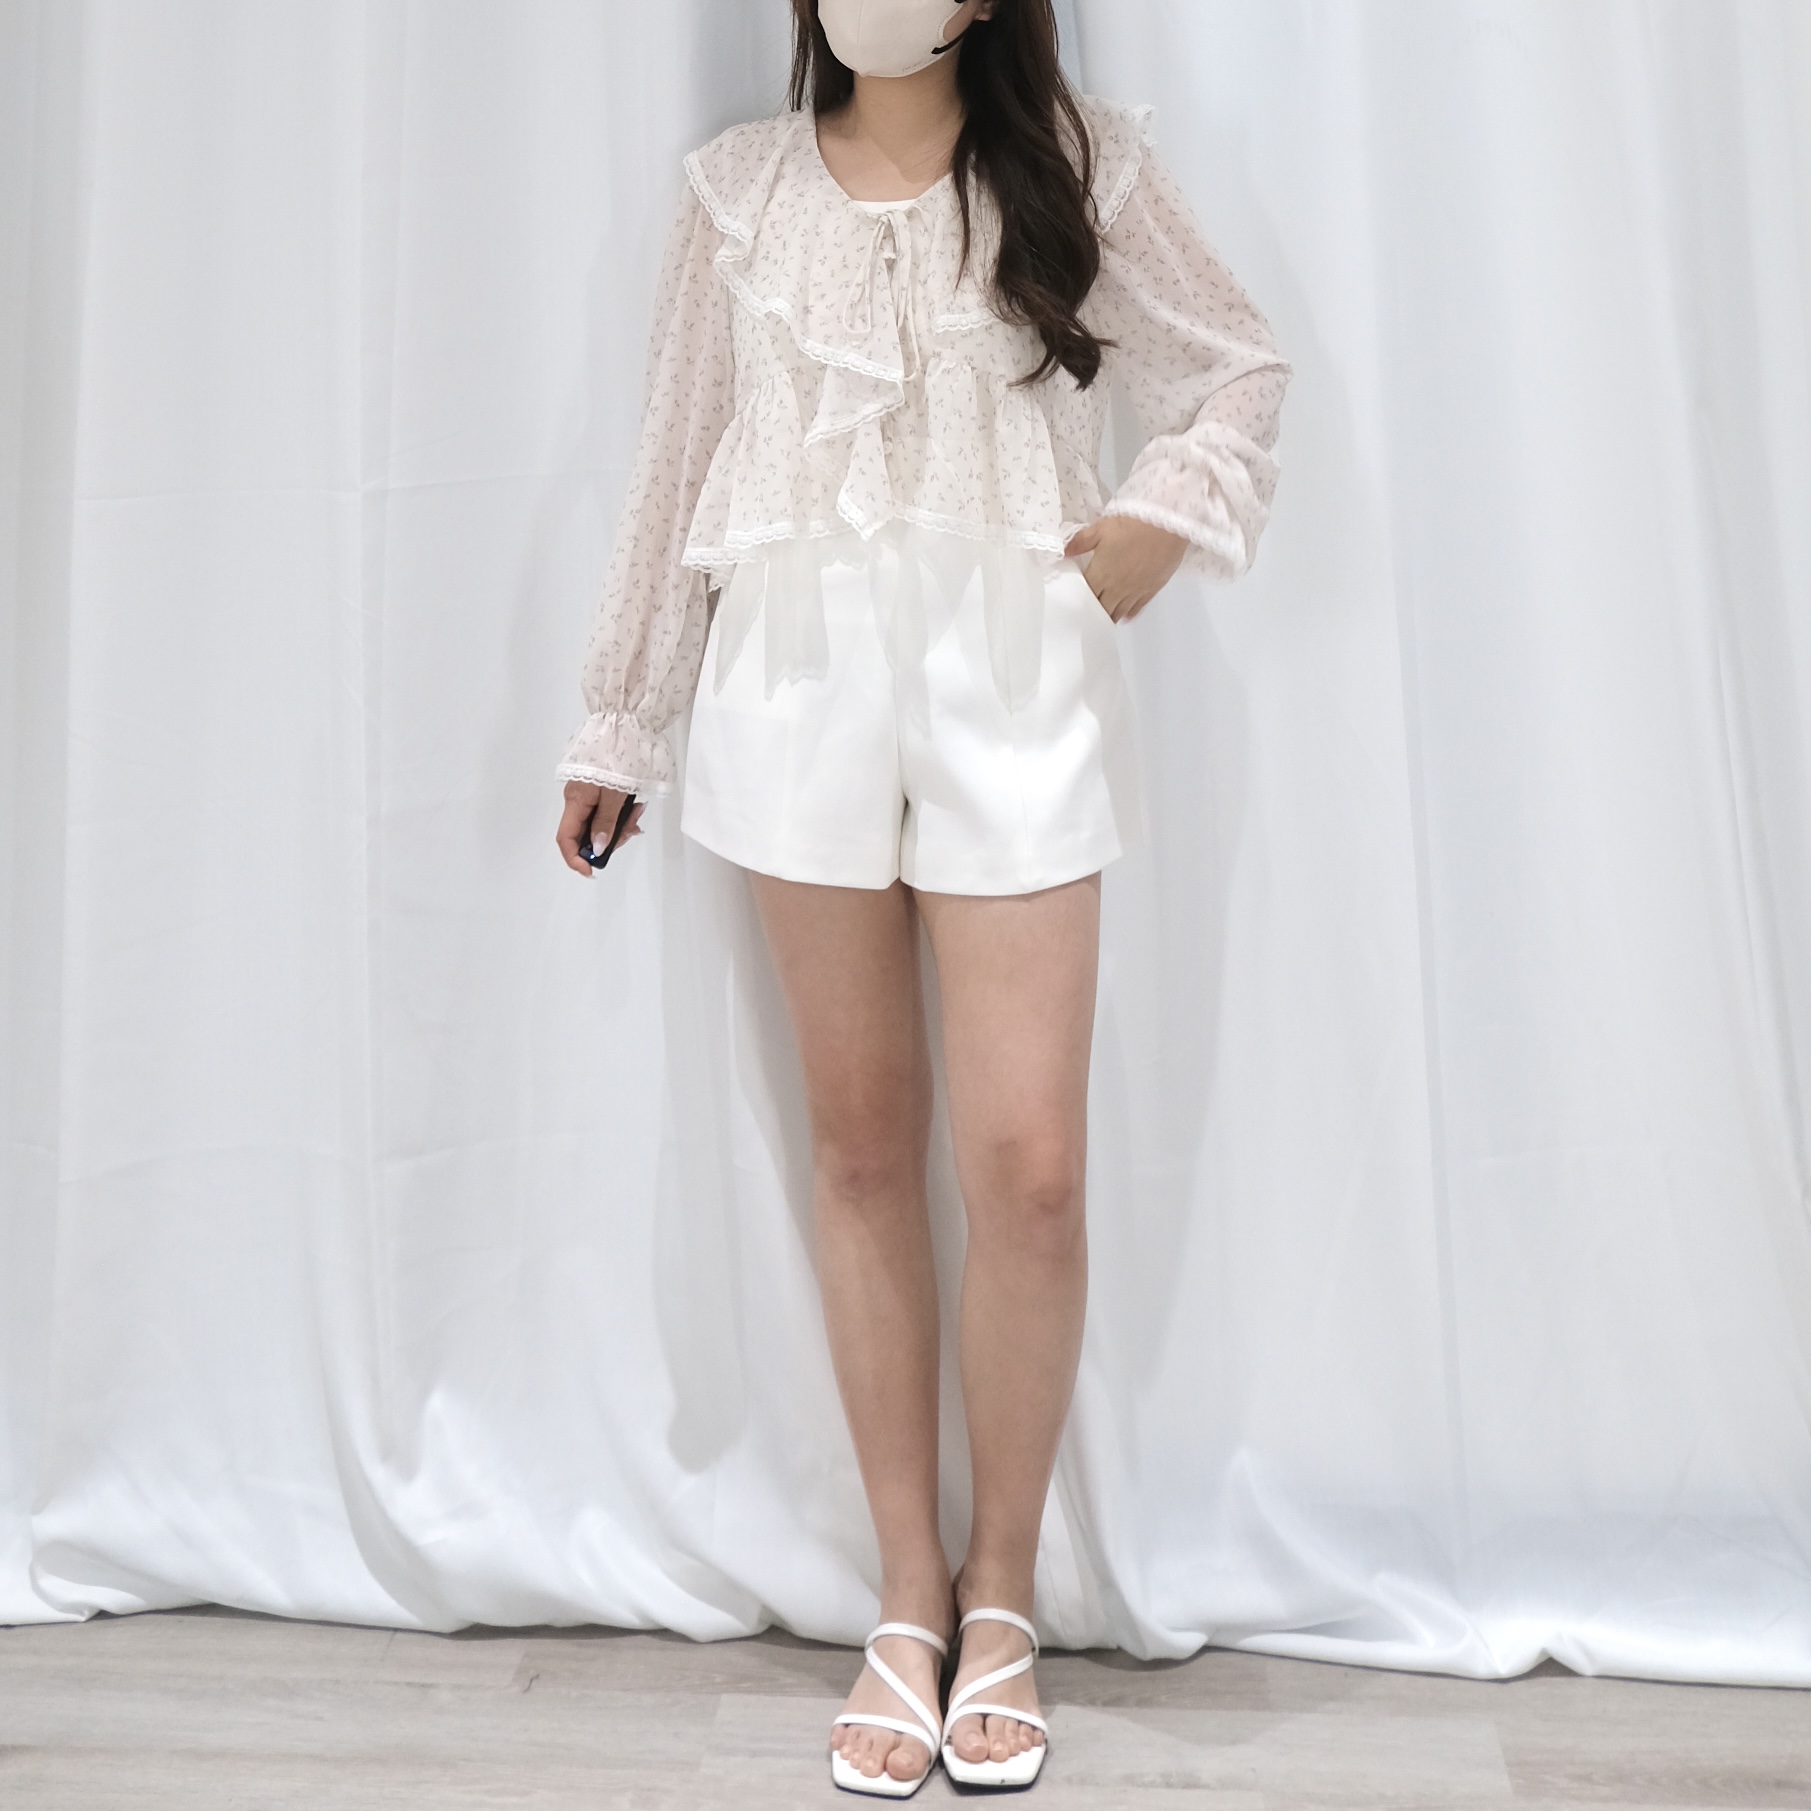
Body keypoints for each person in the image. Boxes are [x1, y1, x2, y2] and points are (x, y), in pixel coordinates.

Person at [553, 0, 1290, 1794]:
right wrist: (623, 715)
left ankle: (1003, 1593)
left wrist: (1167, 514)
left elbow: (1239, 365)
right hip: (792, 675)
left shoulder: (1080, 169)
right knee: (865, 1149)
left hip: (1016, 671)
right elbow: (673, 466)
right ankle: (906, 1597)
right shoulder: (737, 196)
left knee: (1028, 1169)